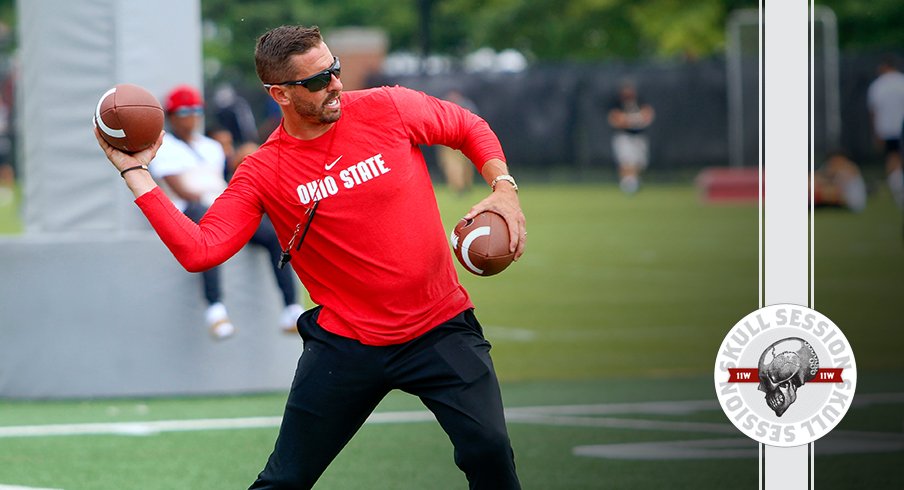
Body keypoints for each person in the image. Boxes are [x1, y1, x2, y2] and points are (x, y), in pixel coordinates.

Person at [94, 25, 526, 489]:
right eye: (318, 81)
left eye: (335, 70)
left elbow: (467, 127)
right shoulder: (263, 170)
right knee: (283, 482)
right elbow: (201, 250)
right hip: (347, 344)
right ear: (279, 93)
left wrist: (503, 188)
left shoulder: (388, 106)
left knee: (489, 450)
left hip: (439, 327)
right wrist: (136, 172)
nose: (336, 84)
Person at [150, 84, 235, 339]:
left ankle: (291, 306)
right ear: (172, 115)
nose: (192, 116)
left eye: (196, 110)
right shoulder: (163, 147)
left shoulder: (211, 146)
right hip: (187, 211)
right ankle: (215, 308)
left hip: (215, 205)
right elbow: (184, 192)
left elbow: (220, 183)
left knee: (267, 228)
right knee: (205, 227)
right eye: (185, 111)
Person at [208, 125, 306, 333]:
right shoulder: (230, 185)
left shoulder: (273, 185)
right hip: (221, 223)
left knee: (276, 237)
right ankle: (215, 310)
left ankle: (291, 307)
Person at [866, 56, 904, 209]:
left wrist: (875, 132)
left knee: (892, 158)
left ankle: (897, 190)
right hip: (901, 126)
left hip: (887, 128)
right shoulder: (901, 81)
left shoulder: (877, 85)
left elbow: (873, 111)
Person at [607, 80, 655, 194]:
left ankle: (633, 182)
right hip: (624, 136)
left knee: (640, 163)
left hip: (639, 137)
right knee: (626, 161)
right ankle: (628, 185)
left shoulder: (641, 101)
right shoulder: (617, 103)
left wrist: (628, 119)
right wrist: (636, 119)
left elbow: (648, 115)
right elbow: (615, 119)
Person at [436, 90, 479, 195]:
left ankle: (463, 187)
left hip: (461, 140)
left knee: (462, 166)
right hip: (450, 142)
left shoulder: (445, 107)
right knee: (453, 166)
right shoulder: (445, 107)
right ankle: (459, 188)